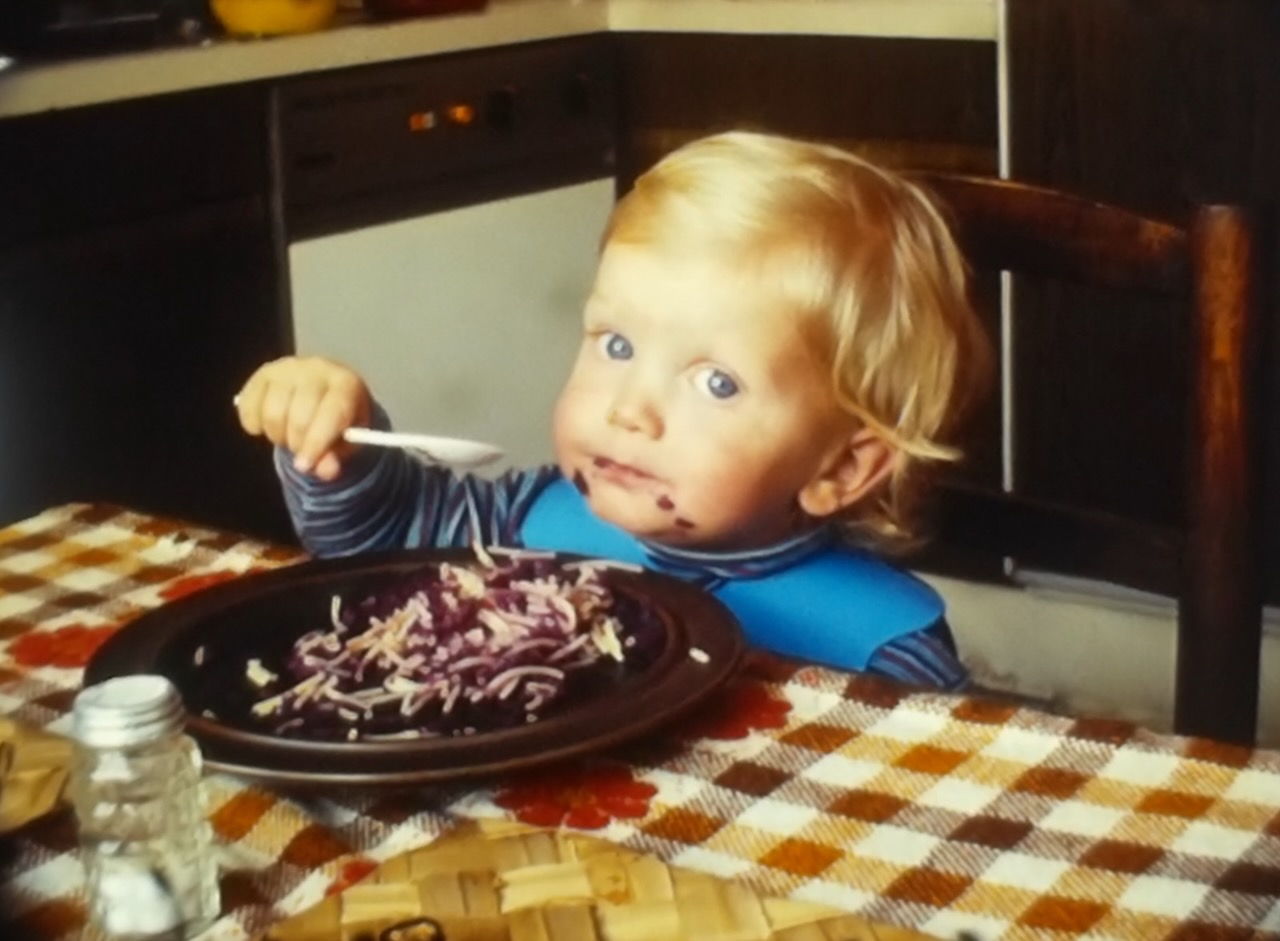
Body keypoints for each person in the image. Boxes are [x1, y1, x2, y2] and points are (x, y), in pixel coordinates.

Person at [235, 130, 992, 690]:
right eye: (617, 345)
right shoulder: (525, 523)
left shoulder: (883, 651)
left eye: (716, 383)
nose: (631, 409)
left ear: (841, 467)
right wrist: (336, 444)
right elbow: (374, 545)